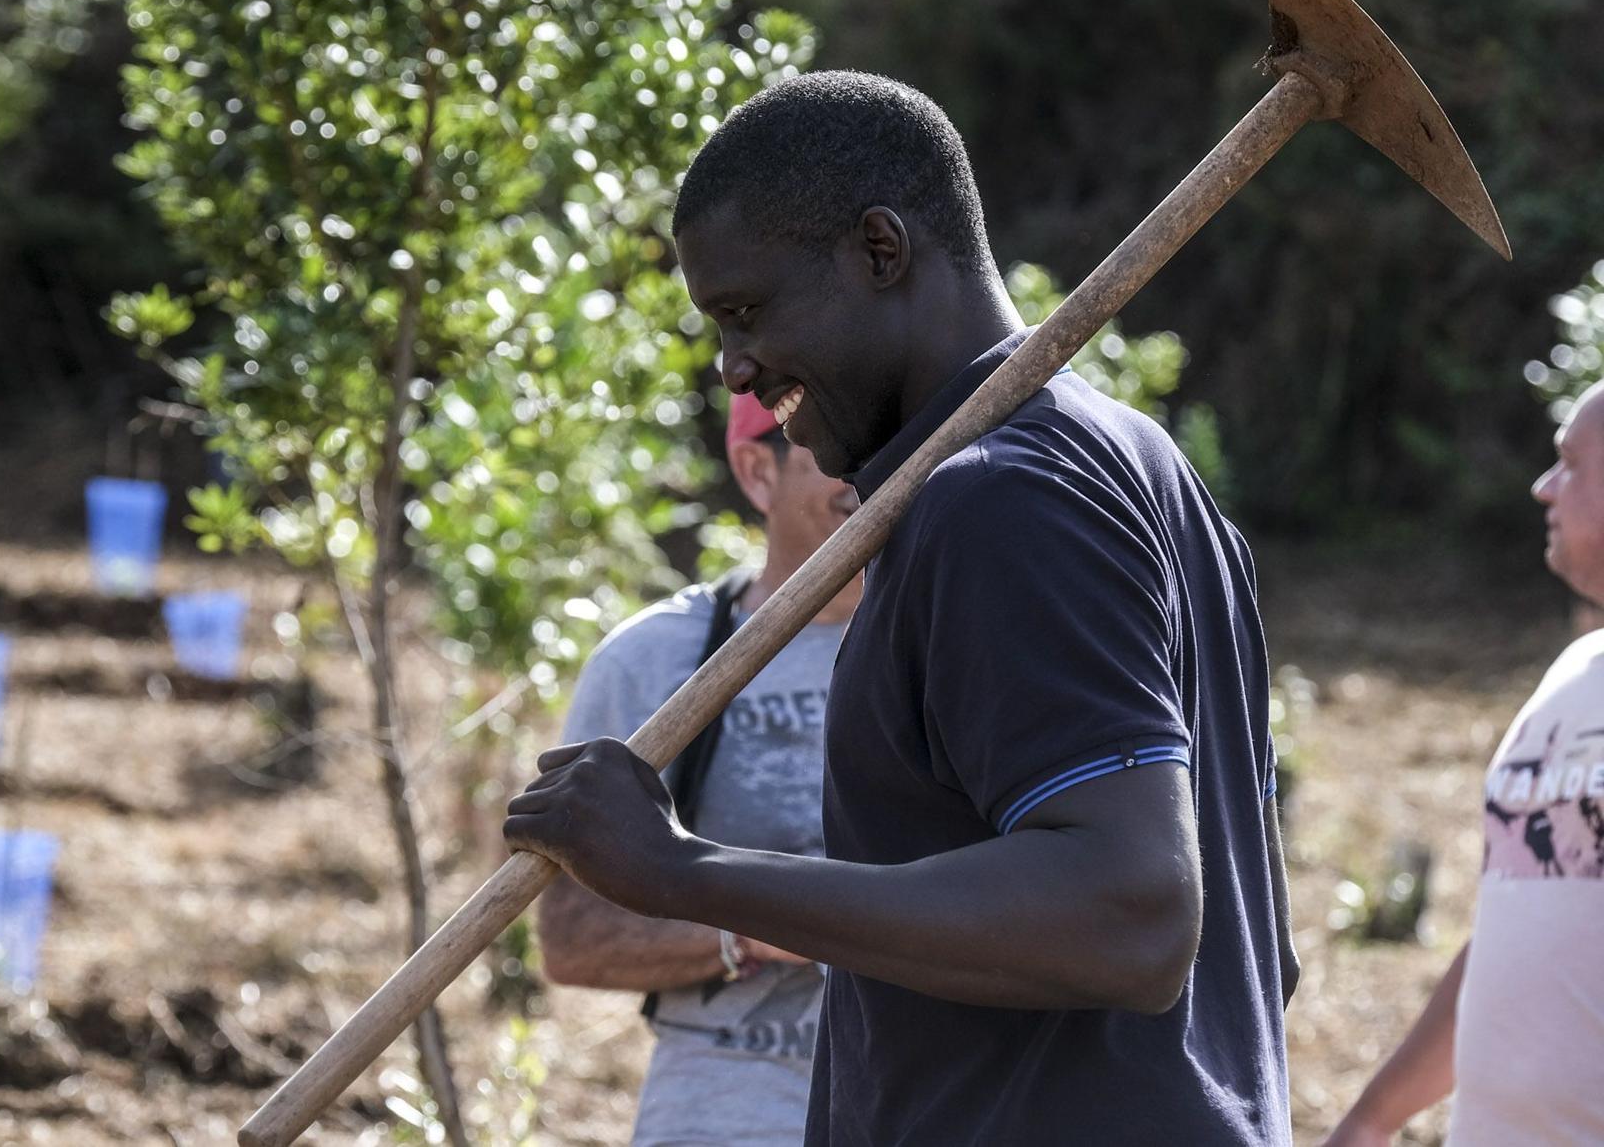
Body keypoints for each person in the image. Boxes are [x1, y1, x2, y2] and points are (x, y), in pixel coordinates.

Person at [505, 70, 1298, 1145]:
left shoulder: (997, 498)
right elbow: (1261, 949)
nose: (735, 368)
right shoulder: (1139, 467)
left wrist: (681, 868)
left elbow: (1134, 914)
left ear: (880, 252)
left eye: (745, 311)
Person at [539, 388, 861, 1146]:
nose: (872, 471)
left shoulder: (963, 644)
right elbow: (571, 938)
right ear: (757, 471)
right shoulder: (656, 664)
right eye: (839, 443)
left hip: (936, 1102)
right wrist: (757, 928)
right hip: (726, 1111)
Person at [1323, 381, 1604, 1146]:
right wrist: (1370, 1120)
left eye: (1571, 466)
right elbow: (1516, 936)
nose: (1543, 488)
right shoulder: (1572, 678)